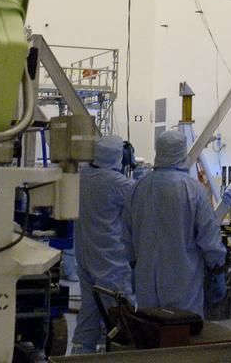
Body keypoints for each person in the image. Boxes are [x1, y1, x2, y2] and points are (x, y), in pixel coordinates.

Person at [126, 129, 226, 314]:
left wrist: (132, 265)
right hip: (183, 282)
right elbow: (209, 236)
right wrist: (217, 268)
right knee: (183, 332)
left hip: (146, 281)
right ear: (182, 152)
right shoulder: (193, 190)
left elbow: (127, 234)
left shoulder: (139, 188)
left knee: (152, 331)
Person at [71, 134, 136, 354]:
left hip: (85, 255)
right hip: (110, 259)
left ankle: (80, 354)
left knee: (89, 312)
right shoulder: (116, 183)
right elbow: (142, 202)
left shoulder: (81, 176)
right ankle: (123, 356)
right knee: (122, 314)